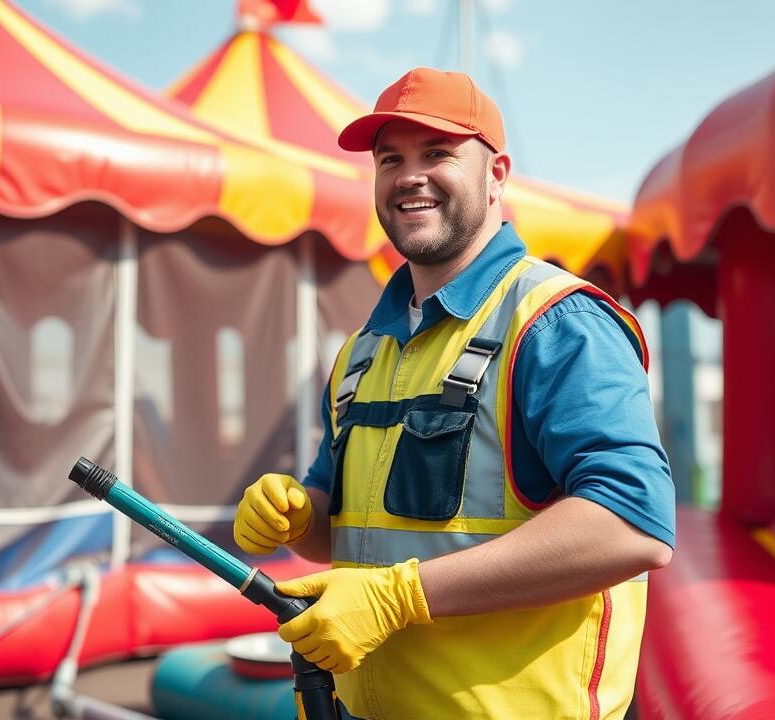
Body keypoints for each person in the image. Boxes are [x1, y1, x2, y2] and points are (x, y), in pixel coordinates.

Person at [233, 67, 675, 720]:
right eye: (391, 160)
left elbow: (632, 526)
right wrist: (301, 516)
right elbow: (351, 539)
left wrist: (398, 597)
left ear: (497, 173)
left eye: (437, 153)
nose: (409, 176)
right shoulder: (363, 350)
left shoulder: (558, 322)